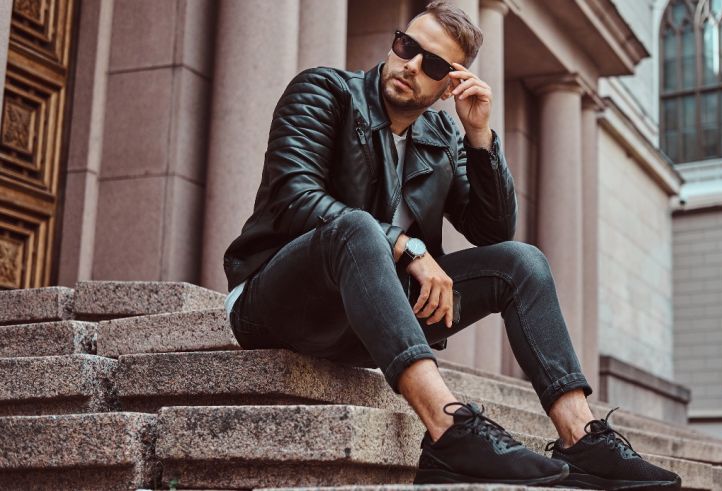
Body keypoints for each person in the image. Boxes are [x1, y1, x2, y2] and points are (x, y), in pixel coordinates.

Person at [222, 1, 680, 489]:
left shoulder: (441, 133)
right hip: (274, 305)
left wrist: (480, 136)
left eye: (434, 65)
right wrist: (409, 248)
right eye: (407, 47)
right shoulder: (324, 92)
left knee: (521, 262)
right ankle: (450, 429)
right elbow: (295, 197)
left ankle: (580, 437)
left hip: (365, 320)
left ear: (449, 85)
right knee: (356, 227)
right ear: (396, 43)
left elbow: (493, 230)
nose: (412, 65)